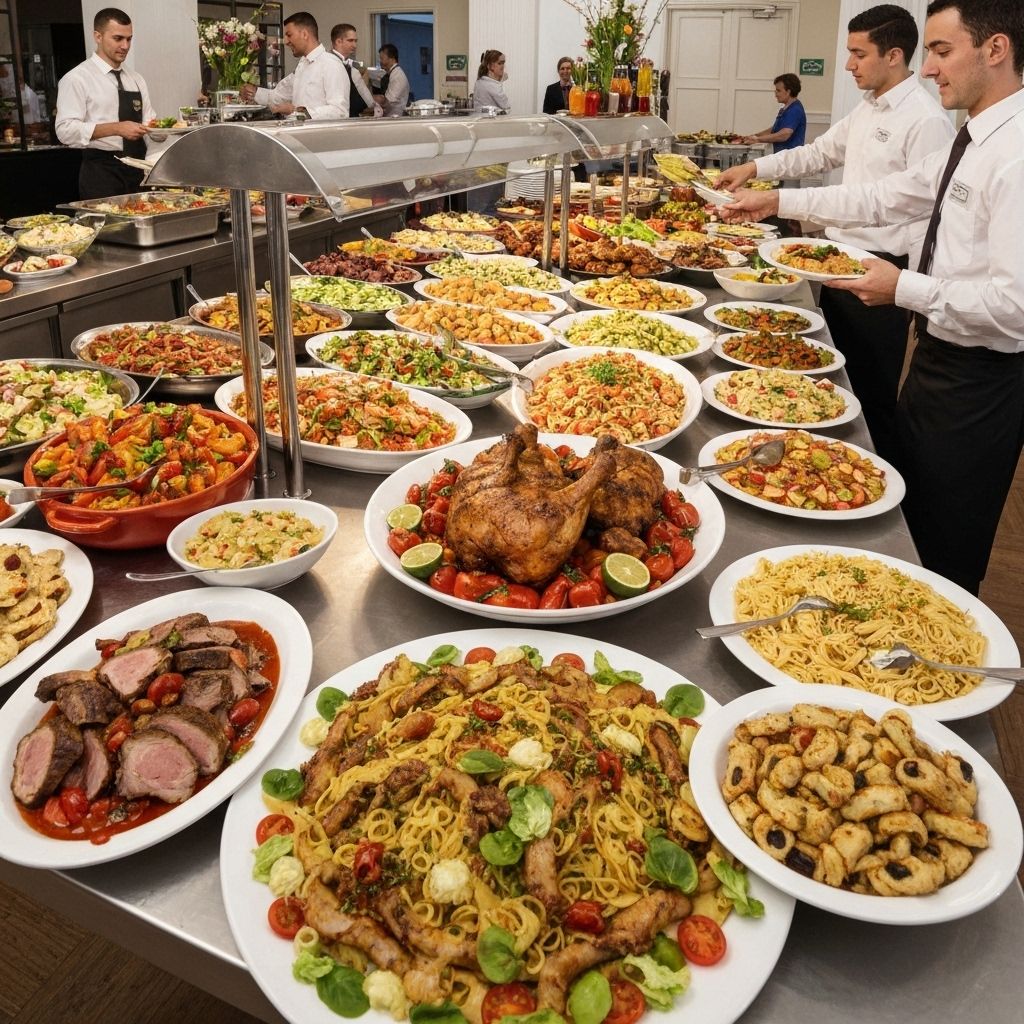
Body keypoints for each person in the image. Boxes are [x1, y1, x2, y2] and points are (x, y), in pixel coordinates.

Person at [723, 0, 1024, 597]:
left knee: (947, 538)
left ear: (996, 49)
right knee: (911, 517)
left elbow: (1016, 306)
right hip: (937, 353)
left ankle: (941, 634)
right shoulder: (974, 137)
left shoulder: (1015, 153)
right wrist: (778, 200)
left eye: (942, 51)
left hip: (982, 379)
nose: (928, 68)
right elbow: (884, 196)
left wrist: (902, 286)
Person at [718, 5, 954, 467]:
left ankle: (868, 472)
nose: (848, 65)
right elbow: (817, 154)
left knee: (869, 389)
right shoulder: (869, 107)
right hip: (840, 258)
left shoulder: (926, 120)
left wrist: (781, 202)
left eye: (858, 54)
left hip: (882, 270)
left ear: (893, 55)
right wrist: (756, 168)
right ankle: (817, 460)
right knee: (835, 378)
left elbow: (905, 205)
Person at [54, 7, 154, 199]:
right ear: (98, 36)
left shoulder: (136, 79)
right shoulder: (77, 78)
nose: (125, 46)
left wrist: (162, 133)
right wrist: (116, 128)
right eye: (118, 38)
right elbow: (65, 131)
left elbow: (149, 122)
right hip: (101, 173)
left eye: (129, 39)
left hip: (138, 172)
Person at [240, 12, 346, 120]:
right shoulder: (302, 65)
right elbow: (279, 96)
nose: (286, 41)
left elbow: (339, 111)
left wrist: (299, 113)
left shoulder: (331, 64)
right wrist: (253, 92)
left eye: (289, 35)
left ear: (304, 34)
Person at [745, 73, 806, 152]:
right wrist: (756, 135)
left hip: (790, 156)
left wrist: (758, 139)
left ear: (788, 92)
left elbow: (784, 134)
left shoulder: (795, 110)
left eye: (778, 91)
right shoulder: (786, 108)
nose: (775, 94)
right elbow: (775, 129)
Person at [331, 24, 381, 117]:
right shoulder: (328, 64)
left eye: (355, 41)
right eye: (350, 41)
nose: (354, 45)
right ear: (338, 41)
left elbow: (368, 101)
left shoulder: (351, 68)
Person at [373, 43, 410, 116]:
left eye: (382, 58)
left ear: (392, 58)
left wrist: (373, 98)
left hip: (396, 117)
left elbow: (389, 102)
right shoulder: (392, 74)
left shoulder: (398, 76)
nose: (380, 61)